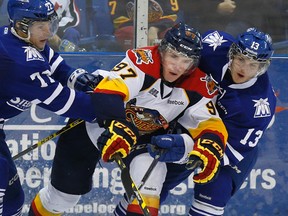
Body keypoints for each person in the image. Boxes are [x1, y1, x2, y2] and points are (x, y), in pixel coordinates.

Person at [28, 22, 228, 215]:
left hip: (143, 141)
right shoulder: (142, 60)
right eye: (173, 56)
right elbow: (108, 93)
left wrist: (211, 144)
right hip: (95, 127)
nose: (177, 66)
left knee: (149, 188)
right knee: (61, 199)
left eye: (186, 61)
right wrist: (120, 125)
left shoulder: (199, 84)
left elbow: (210, 122)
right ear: (162, 50)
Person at [0, 0, 136, 215]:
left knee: (12, 200)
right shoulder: (18, 62)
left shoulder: (25, 40)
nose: (49, 32)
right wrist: (121, 111)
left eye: (49, 24)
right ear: (22, 27)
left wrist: (83, 79)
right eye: (41, 26)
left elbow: (60, 69)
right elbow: (72, 105)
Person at [144, 28, 276, 215]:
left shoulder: (259, 108)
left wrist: (186, 149)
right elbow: (171, 55)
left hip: (229, 148)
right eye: (240, 60)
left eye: (253, 65)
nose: (244, 69)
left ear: (262, 68)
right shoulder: (214, 46)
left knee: (210, 200)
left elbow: (233, 149)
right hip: (188, 125)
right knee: (148, 189)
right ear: (231, 53)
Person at [109, 0, 180, 50]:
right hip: (131, 27)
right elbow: (119, 20)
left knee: (171, 35)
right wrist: (142, 30)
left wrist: (154, 29)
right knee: (129, 33)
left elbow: (171, 17)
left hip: (161, 27)